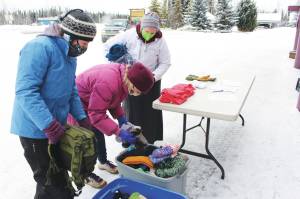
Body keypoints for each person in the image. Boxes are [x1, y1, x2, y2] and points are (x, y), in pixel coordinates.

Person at [10, 9, 97, 199]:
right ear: (70, 36)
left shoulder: (69, 55)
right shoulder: (39, 48)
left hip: (57, 128)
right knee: (51, 183)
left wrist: (82, 117)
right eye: (83, 43)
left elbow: (71, 89)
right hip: (34, 130)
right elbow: (25, 91)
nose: (84, 48)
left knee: (55, 181)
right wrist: (48, 124)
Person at [67, 62, 154, 188]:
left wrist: (121, 118)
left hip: (92, 102)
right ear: (133, 83)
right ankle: (85, 174)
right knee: (85, 140)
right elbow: (96, 115)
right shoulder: (108, 82)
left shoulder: (124, 78)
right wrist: (119, 132)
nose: (138, 94)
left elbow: (114, 99)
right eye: (139, 91)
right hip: (76, 103)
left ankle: (102, 162)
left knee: (97, 134)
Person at [104, 12, 171, 144]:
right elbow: (107, 47)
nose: (150, 34)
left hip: (151, 81)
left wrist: (153, 76)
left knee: (150, 112)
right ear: (141, 27)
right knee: (131, 111)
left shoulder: (160, 40)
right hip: (130, 81)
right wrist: (118, 60)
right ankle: (129, 140)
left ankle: (151, 140)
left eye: (153, 32)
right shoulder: (129, 35)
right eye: (147, 31)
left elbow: (165, 62)